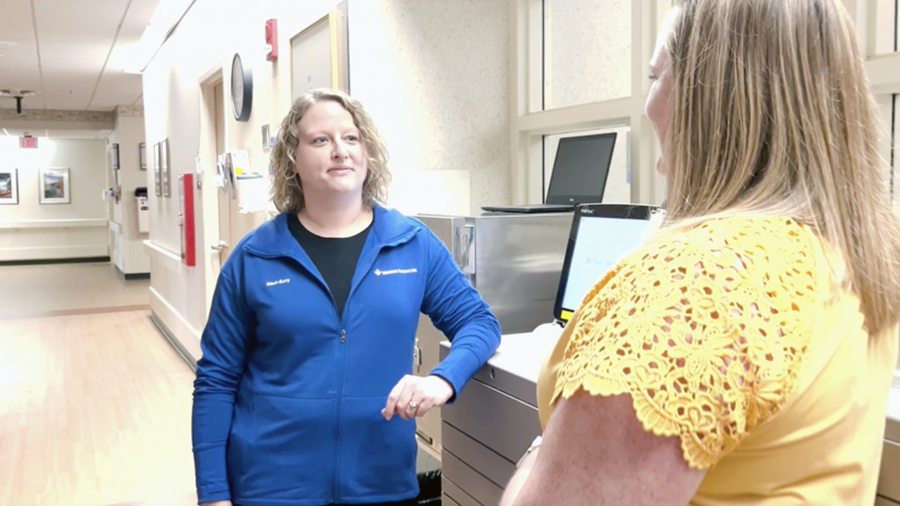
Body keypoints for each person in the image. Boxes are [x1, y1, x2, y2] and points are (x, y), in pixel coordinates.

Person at [501, 0, 900, 505]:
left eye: (655, 76)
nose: (648, 103)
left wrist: (544, 453)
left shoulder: (694, 282)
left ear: (707, 96)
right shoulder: (865, 251)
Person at [192, 88, 501, 506]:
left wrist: (442, 379)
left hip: (381, 483)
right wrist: (213, 494)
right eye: (321, 140)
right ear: (292, 160)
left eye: (351, 138)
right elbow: (216, 381)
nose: (340, 151)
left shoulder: (411, 245)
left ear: (367, 154)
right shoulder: (255, 257)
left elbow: (479, 323)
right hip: (272, 487)